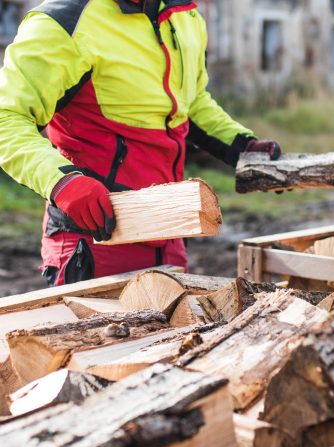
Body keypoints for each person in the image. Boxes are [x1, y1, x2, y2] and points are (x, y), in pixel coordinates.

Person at [0, 0, 281, 286]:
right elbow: (7, 118)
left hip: (169, 228)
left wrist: (241, 143)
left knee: (183, 330)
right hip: (97, 236)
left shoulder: (184, 14)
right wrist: (62, 183)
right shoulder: (63, 22)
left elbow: (191, 101)